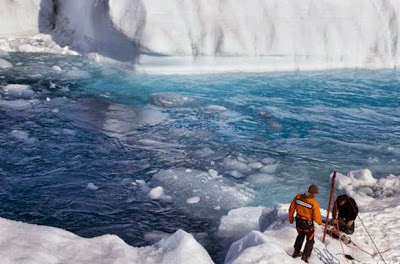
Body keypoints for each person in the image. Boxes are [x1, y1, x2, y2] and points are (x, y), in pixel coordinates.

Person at [288, 184, 322, 263]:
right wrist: (320, 224)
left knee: (300, 236)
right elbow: (317, 217)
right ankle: (305, 257)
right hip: (308, 225)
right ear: (313, 194)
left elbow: (291, 209)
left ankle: (296, 252)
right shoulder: (314, 203)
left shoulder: (298, 197)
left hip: (298, 223)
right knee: (310, 240)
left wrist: (290, 219)